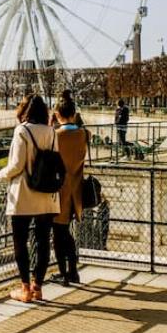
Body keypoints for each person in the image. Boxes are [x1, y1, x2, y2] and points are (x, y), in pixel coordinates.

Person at [0, 95, 59, 303]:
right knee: (42, 242)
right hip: (48, 195)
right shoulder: (51, 132)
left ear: (25, 112)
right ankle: (38, 286)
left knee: (20, 243)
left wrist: (0, 174)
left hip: (24, 194)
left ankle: (25, 289)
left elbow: (16, 165)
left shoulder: (22, 130)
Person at [52, 90, 90, 286]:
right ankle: (73, 270)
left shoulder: (55, 136)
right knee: (66, 233)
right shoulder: (84, 134)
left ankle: (64, 273)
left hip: (58, 192)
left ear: (57, 114)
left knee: (59, 235)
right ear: (74, 113)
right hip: (77, 190)